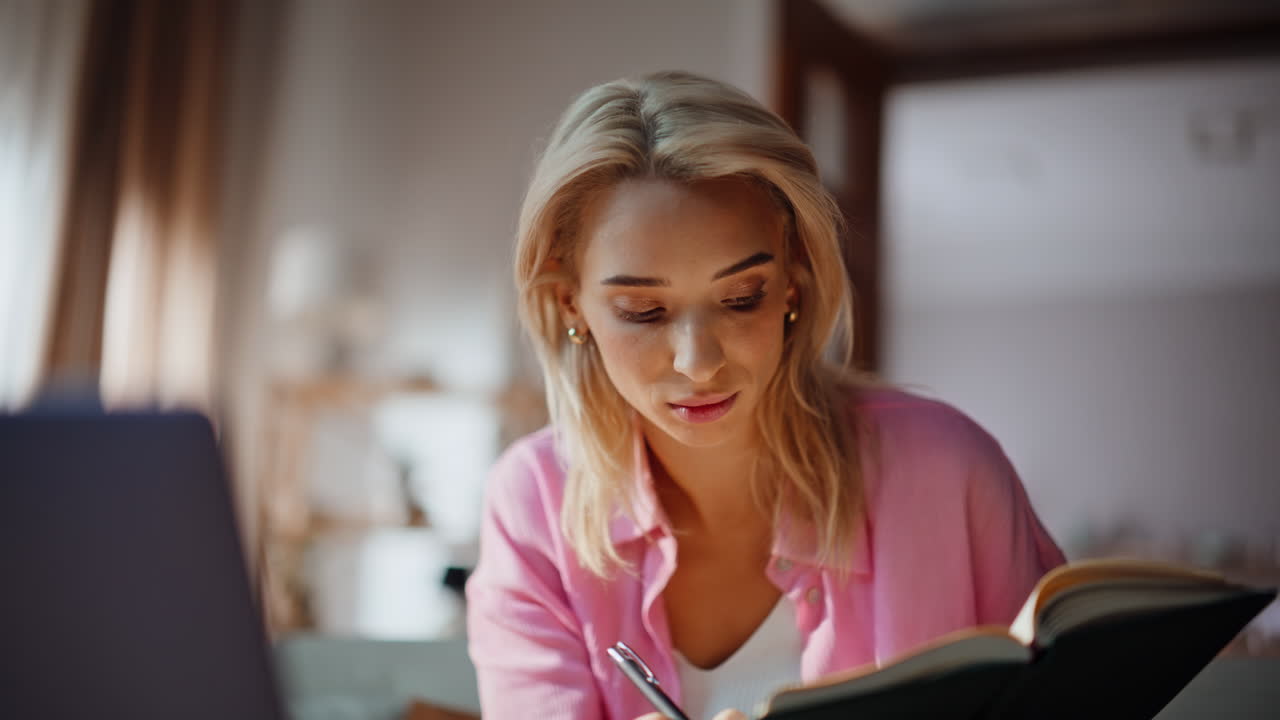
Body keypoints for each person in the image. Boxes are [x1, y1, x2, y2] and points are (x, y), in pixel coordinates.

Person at [465, 71, 1065, 720]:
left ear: (792, 285)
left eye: (739, 298)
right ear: (569, 304)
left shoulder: (949, 471)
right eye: (642, 310)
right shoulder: (532, 504)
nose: (698, 363)